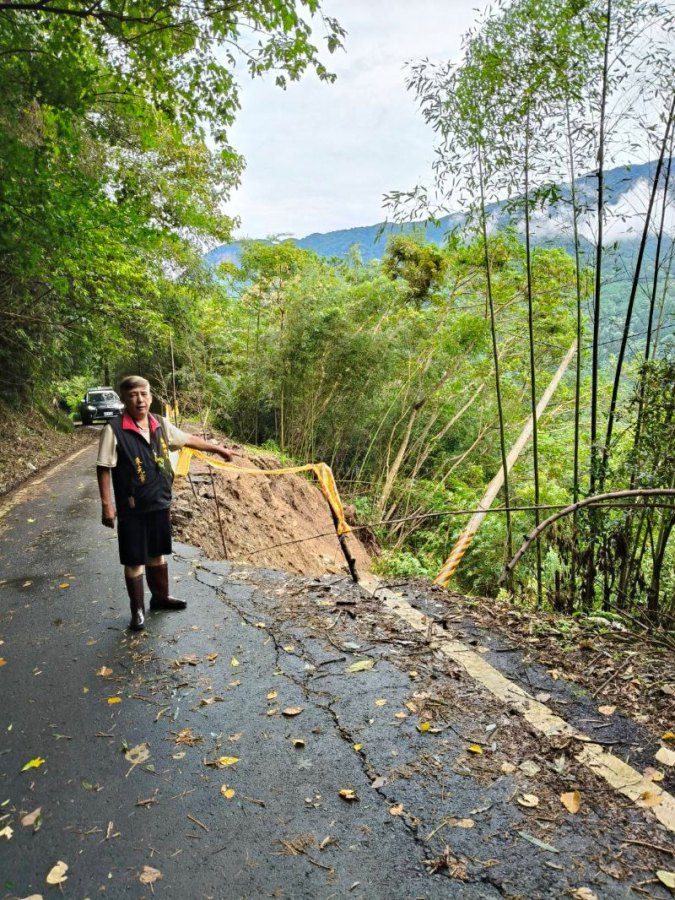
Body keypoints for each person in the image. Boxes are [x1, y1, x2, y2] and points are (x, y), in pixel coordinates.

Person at [96, 375, 233, 631]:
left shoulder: (159, 423)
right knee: (134, 559)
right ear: (124, 399)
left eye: (144, 394)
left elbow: (188, 439)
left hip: (159, 501)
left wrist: (218, 449)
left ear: (150, 396)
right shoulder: (113, 430)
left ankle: (160, 598)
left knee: (157, 553)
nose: (140, 399)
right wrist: (107, 505)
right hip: (132, 507)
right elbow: (104, 468)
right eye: (134, 394)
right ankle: (137, 611)